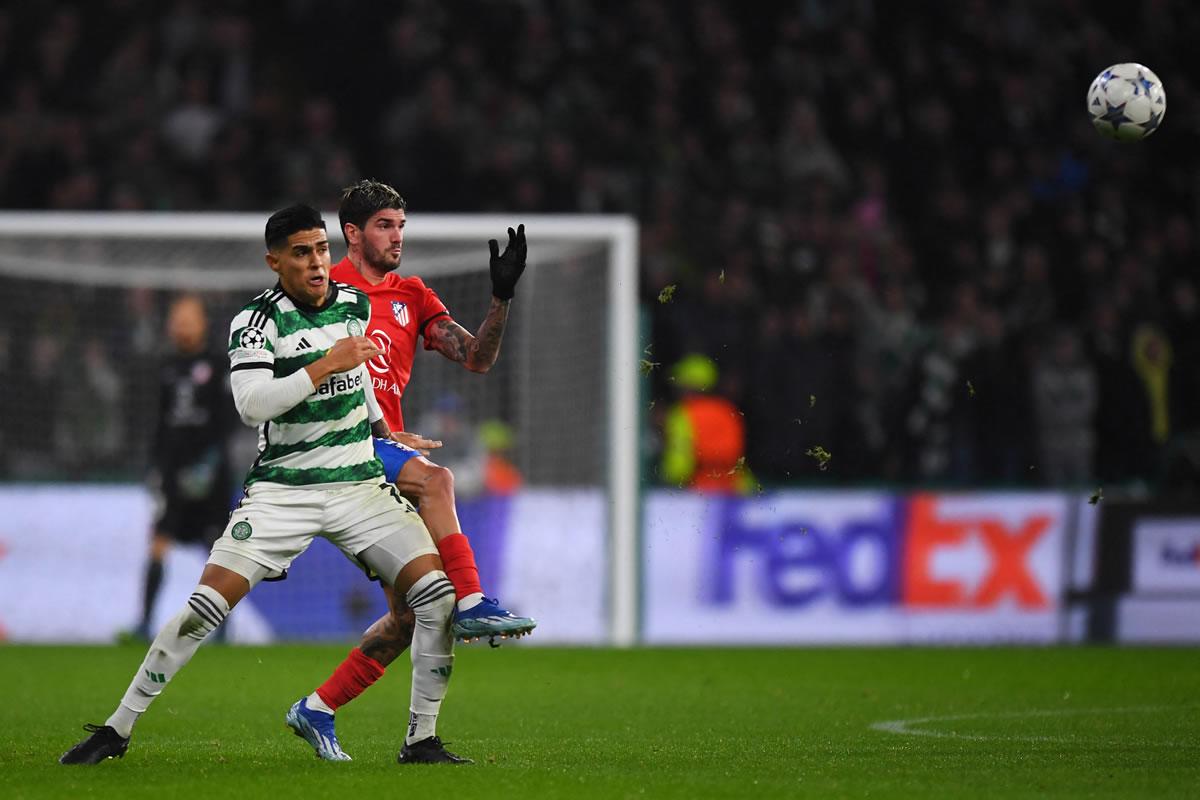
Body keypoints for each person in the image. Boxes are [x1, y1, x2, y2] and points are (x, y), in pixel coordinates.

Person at [60, 205, 468, 766]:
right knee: (203, 608)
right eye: (301, 253)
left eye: (322, 249)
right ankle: (117, 729)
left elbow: (359, 380)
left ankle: (421, 740)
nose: (317, 262)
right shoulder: (256, 322)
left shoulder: (354, 304)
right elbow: (253, 405)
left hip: (358, 485)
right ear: (274, 261)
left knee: (437, 598)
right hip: (284, 491)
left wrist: (385, 433)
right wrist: (325, 364)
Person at [283, 179, 534, 761]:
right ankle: (475, 599)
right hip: (340, 450)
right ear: (352, 233)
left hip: (382, 457)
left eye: (401, 225)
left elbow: (477, 358)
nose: (397, 237)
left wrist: (501, 297)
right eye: (384, 226)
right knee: (438, 479)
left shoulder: (412, 294)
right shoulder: (320, 291)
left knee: (412, 614)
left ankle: (333, 713)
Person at [128, 294, 234, 641]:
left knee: (217, 548)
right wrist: (154, 467)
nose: (182, 326)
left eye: (188, 319)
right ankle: (144, 623)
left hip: (210, 472)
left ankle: (222, 629)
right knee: (159, 540)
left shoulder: (219, 364)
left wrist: (210, 463)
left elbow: (228, 420)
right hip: (173, 471)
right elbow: (160, 422)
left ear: (202, 323)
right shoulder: (165, 367)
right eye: (177, 319)